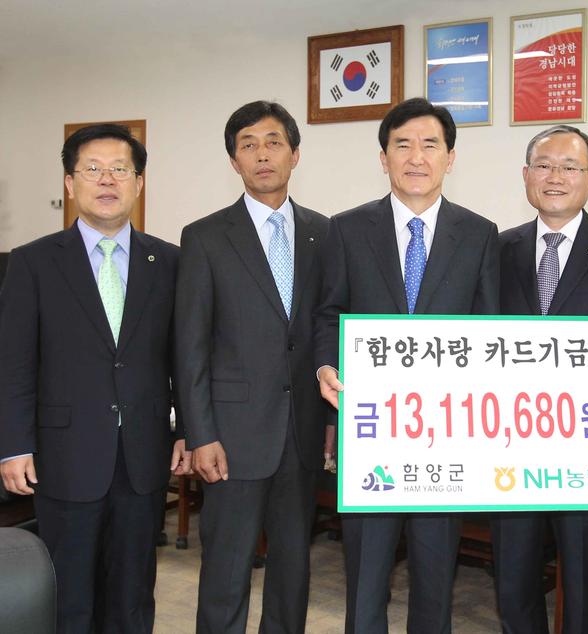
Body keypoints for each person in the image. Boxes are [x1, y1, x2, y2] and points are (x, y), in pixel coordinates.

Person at [315, 97, 499, 634]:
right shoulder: (347, 229)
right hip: (370, 429)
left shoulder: (480, 233)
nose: (416, 157)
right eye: (402, 145)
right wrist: (325, 366)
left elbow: (488, 329)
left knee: (436, 574)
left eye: (430, 145)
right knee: (366, 575)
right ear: (383, 157)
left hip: (445, 437)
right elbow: (329, 312)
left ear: (450, 158)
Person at [0, 123, 187, 633]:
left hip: (143, 455)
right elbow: (14, 363)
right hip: (64, 455)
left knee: (133, 595)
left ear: (139, 183)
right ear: (69, 183)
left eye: (120, 169)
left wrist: (188, 429)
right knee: (69, 596)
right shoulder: (33, 262)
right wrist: (13, 445)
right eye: (93, 169)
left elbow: (184, 355)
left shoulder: (170, 261)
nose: (107, 180)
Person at [489, 125, 588, 633]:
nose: (554, 177)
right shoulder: (498, 249)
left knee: (583, 582)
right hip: (510, 441)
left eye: (569, 167)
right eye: (543, 165)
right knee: (513, 579)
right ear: (526, 175)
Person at [175, 100, 330, 634]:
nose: (262, 155)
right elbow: (190, 346)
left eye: (273, 143)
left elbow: (325, 328)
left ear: (294, 154)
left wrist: (330, 423)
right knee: (226, 570)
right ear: (234, 161)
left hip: (301, 433)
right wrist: (200, 433)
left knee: (292, 571)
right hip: (231, 437)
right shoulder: (204, 237)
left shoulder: (323, 233)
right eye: (248, 146)